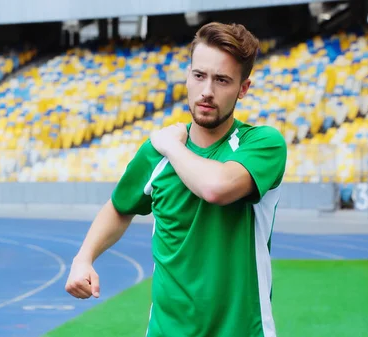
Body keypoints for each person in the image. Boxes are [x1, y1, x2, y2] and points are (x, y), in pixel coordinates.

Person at [65, 21, 288, 337]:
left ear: (243, 88)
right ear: (188, 76)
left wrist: (171, 146)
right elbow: (119, 207)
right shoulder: (154, 155)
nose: (207, 91)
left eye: (222, 80)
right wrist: (83, 259)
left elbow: (216, 187)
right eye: (199, 76)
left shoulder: (262, 144)